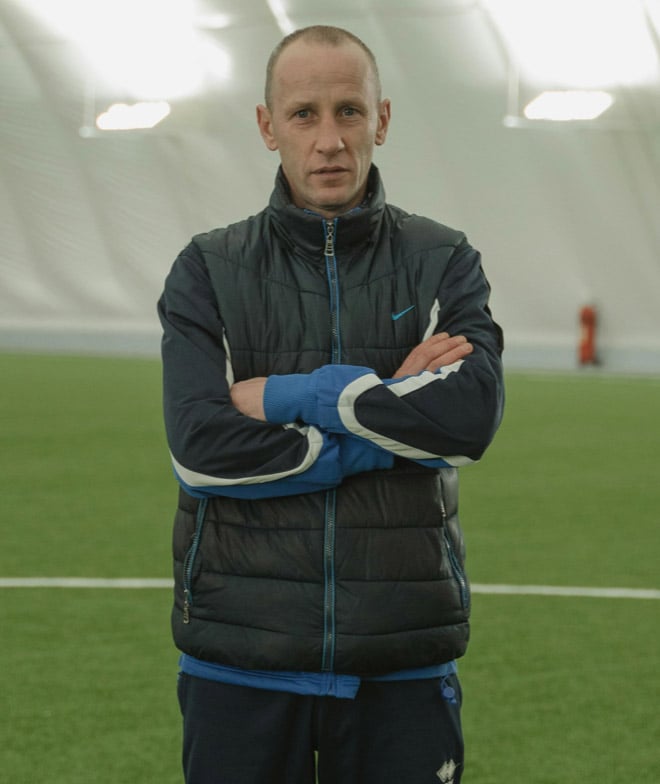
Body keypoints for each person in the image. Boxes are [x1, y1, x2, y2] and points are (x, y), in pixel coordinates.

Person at [158, 24, 504, 784]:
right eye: (303, 114)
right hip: (241, 651)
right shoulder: (207, 268)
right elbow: (201, 450)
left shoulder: (443, 259)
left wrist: (290, 395)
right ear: (267, 126)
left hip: (401, 652)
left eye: (349, 110)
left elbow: (469, 419)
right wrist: (392, 414)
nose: (329, 140)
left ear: (382, 119)